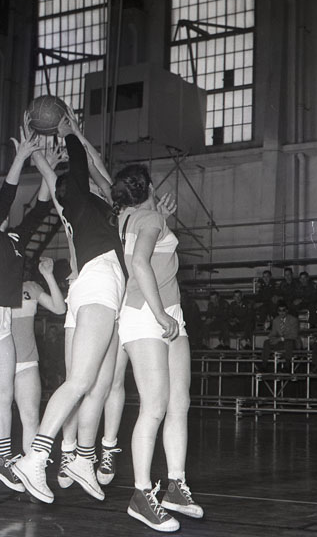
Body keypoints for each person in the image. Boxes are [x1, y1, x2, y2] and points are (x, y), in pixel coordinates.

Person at [14, 114, 127, 505]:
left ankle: (82, 458)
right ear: (76, 187)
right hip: (98, 284)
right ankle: (35, 458)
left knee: (99, 383)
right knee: (81, 382)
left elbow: (68, 175)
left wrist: (38, 156)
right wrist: (68, 133)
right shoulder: (81, 198)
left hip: (90, 288)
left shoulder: (76, 206)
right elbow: (82, 164)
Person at [110, 163, 203, 531]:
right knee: (154, 407)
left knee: (179, 401)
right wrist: (161, 313)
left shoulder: (133, 216)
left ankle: (176, 486)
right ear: (148, 186)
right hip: (148, 312)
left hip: (168, 311)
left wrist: (158, 215)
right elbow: (139, 262)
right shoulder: (148, 218)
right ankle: (141, 494)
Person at [0, 128, 42, 493]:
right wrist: (20, 157)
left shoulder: (13, 238)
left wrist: (43, 166)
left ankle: (5, 458)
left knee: (5, 395)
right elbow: (7, 193)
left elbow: (40, 210)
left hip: (3, 316)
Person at [12, 257, 66, 453]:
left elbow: (59, 308)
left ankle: (30, 465)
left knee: (31, 418)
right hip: (3, 363)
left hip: (26, 362)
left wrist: (48, 276)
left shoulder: (31, 288)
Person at [258, 301, 300, 373]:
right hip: (281, 342)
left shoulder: (293, 320)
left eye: (283, 310)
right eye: (279, 311)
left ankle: (287, 366)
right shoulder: (276, 320)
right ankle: (264, 365)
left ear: (287, 311)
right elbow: (273, 333)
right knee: (267, 342)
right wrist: (271, 338)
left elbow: (294, 335)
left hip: (292, 343)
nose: (281, 312)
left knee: (288, 342)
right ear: (277, 312)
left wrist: (280, 339)